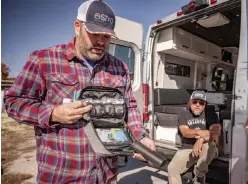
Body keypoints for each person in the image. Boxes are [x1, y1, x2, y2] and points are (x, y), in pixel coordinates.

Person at [4, 0, 155, 183]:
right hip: (62, 175)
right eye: (94, 33)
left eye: (106, 36)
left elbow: (129, 107)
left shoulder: (119, 67)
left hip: (106, 174)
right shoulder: (44, 60)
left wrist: (140, 136)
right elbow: (14, 102)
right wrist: (53, 114)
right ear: (78, 27)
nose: (101, 41)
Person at [167, 90, 221, 184]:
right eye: (195, 102)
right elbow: (185, 132)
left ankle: (199, 176)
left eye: (201, 103)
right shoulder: (184, 114)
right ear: (190, 103)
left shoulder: (210, 113)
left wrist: (201, 140)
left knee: (204, 158)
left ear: (205, 105)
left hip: (206, 144)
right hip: (187, 148)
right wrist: (200, 133)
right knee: (172, 169)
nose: (197, 105)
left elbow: (215, 132)